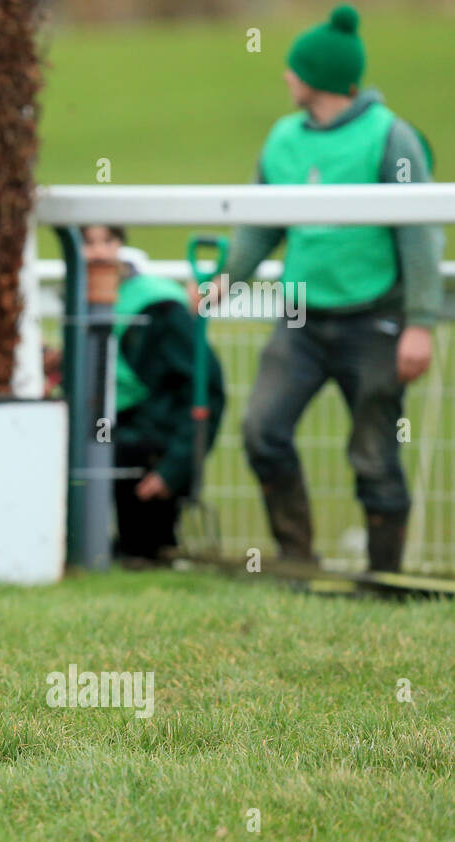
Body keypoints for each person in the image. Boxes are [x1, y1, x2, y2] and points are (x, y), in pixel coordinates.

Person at [219, 5, 443, 571]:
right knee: (262, 429)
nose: (285, 77)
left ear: (315, 76)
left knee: (373, 454)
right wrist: (225, 280)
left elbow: (420, 234)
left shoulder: (391, 137)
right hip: (299, 317)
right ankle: (298, 561)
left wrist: (419, 322)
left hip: (374, 318)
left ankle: (383, 577)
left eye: (294, 69)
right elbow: (259, 225)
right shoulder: (283, 139)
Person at [83, 226, 226, 563]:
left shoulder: (158, 307)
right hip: (110, 440)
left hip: (149, 453)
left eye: (107, 241)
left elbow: (205, 389)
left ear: (121, 246)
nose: (98, 253)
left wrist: (174, 469)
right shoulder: (80, 304)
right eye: (88, 243)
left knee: (143, 554)